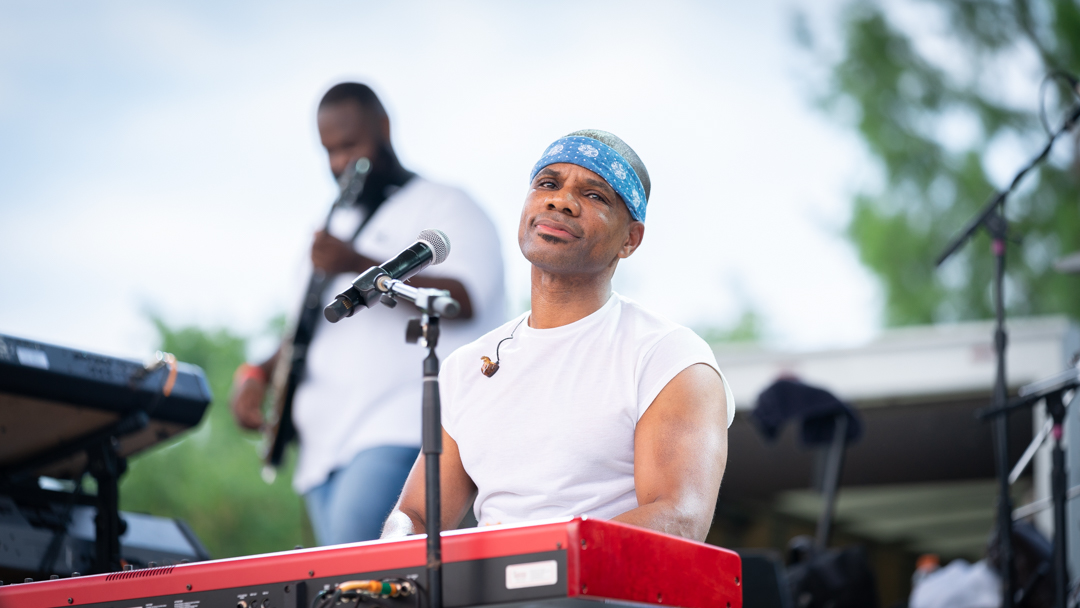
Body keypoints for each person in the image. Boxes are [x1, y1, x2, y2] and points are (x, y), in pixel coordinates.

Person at [383, 130, 733, 542]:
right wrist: (393, 548)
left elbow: (678, 519)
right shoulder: (467, 367)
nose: (560, 200)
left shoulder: (668, 356)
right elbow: (417, 516)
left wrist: (530, 562)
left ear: (630, 240)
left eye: (595, 195)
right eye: (547, 184)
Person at [230, 83, 505, 545]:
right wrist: (257, 372)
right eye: (330, 151)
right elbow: (305, 330)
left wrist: (356, 261)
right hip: (321, 450)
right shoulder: (332, 230)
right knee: (354, 588)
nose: (340, 163)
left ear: (384, 128)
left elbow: (465, 297)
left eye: (351, 146)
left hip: (400, 427)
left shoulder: (445, 204)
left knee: (361, 574)